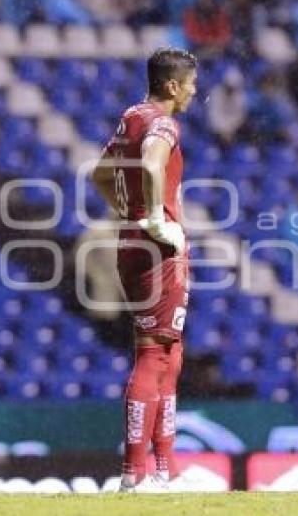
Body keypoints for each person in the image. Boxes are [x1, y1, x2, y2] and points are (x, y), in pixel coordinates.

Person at [92, 47, 198, 493]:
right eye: (191, 83)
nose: (194, 92)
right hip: (158, 249)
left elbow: (100, 173)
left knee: (168, 354)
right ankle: (135, 474)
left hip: (134, 242)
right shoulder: (161, 122)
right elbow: (153, 163)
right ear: (172, 85)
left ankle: (165, 468)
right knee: (154, 355)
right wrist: (155, 219)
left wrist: (131, 214)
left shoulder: (129, 116)